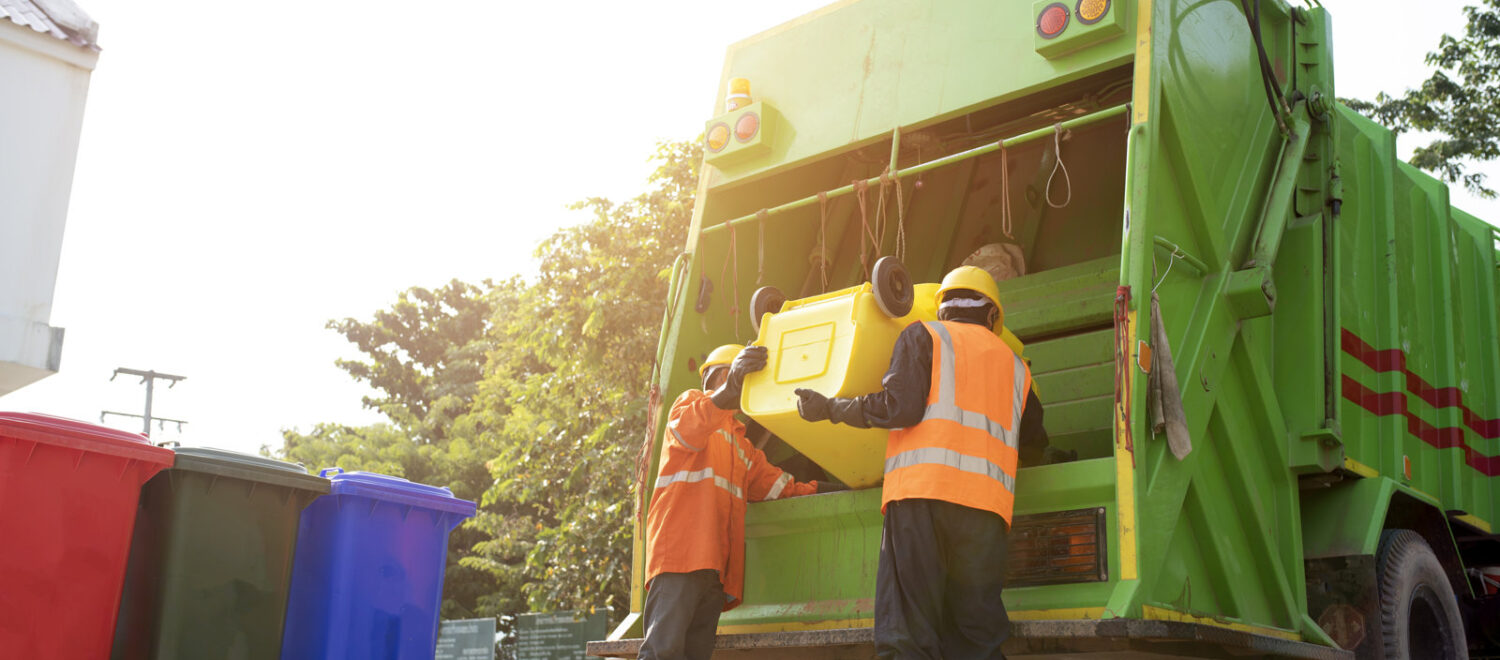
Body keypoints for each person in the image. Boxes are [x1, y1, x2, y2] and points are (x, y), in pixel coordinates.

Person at [793, 266, 1048, 660]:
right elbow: (1034, 444)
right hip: (985, 512)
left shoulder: (923, 335)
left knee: (909, 633)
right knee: (977, 634)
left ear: (942, 308)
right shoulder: (1018, 368)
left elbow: (901, 407)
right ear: (993, 315)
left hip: (919, 499)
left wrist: (829, 407)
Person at [641, 344, 840, 660]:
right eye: (739, 378)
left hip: (713, 569)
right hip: (680, 558)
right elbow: (689, 430)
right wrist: (727, 391)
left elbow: (783, 489)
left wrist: (839, 488)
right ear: (719, 376)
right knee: (662, 653)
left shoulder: (740, 445)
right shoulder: (690, 403)